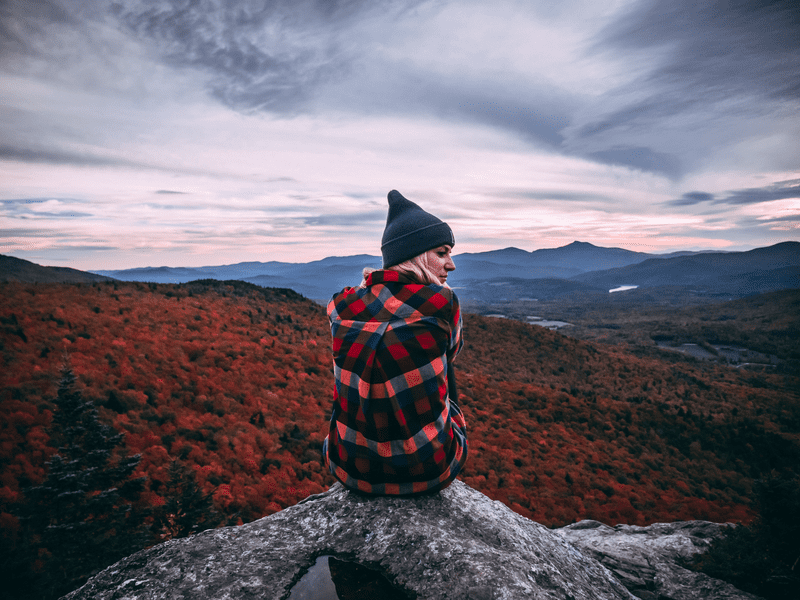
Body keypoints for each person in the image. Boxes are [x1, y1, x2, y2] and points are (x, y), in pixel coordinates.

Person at [322, 190, 468, 495]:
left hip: (349, 467)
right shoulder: (443, 304)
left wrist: (367, 290)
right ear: (414, 255)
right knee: (442, 364)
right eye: (442, 253)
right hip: (428, 469)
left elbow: (353, 302)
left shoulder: (341, 306)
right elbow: (451, 351)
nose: (450, 265)